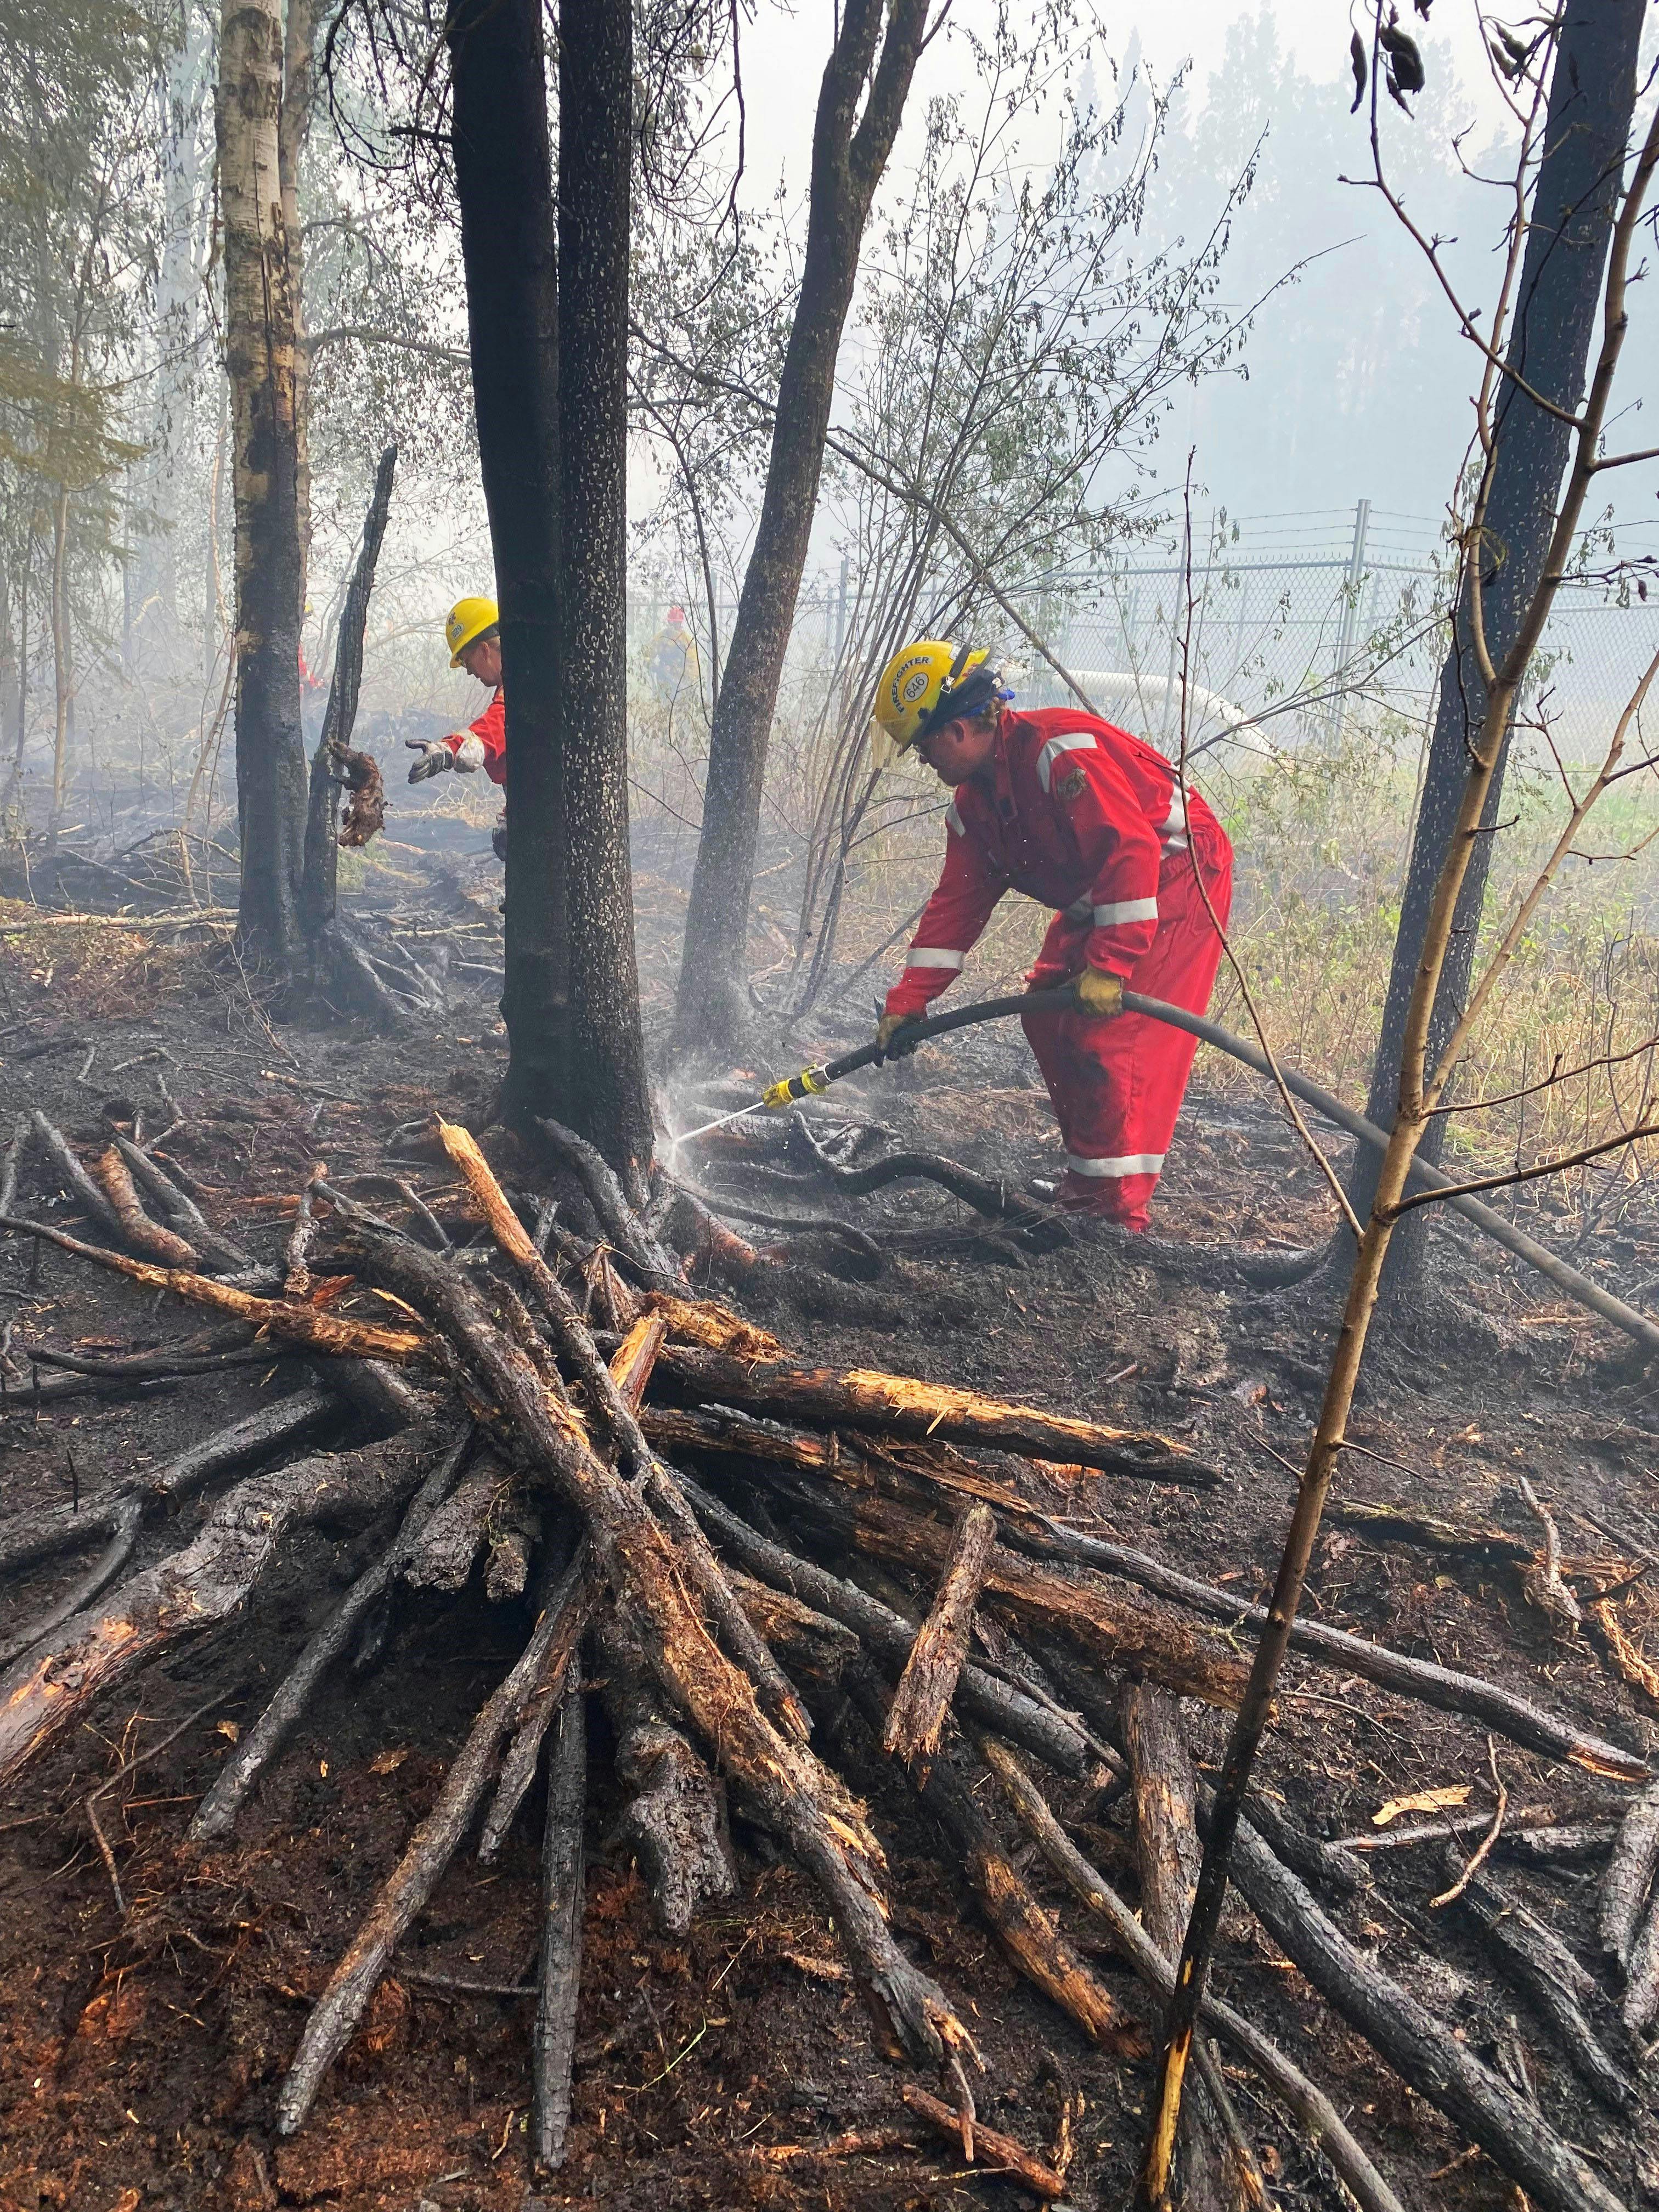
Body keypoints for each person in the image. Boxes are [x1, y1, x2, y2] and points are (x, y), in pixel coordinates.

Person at [870, 639, 1233, 1230]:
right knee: (1045, 1012)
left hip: (1175, 873)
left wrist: (1113, 964)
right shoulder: (975, 807)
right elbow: (954, 909)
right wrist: (909, 1002)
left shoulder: (1060, 756)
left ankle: (1115, 1215)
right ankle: (1086, 1187)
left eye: (925, 746)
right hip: (1111, 893)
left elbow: (1132, 849)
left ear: (958, 730)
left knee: (1111, 1040)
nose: (923, 762)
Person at [407, 595, 509, 860]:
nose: (468, 671)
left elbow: (498, 724)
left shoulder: (519, 686)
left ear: (484, 650)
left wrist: (448, 750)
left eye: (465, 660)